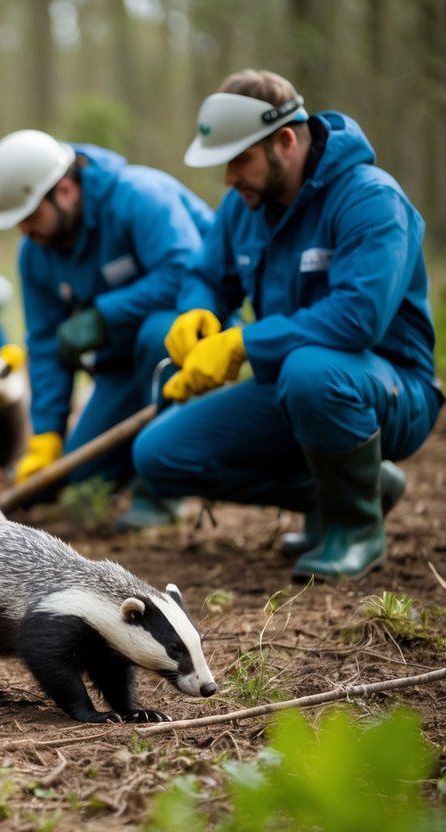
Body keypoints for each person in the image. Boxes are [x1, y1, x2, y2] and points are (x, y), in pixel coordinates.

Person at [132, 69, 442, 581]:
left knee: (311, 370)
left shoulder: (371, 200)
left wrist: (243, 343)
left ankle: (355, 526)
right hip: (294, 389)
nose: (229, 178)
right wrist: (197, 309)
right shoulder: (244, 205)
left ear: (285, 141)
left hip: (391, 390)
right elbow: (208, 275)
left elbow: (357, 317)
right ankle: (357, 487)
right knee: (159, 455)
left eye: (239, 160)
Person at [0, 129, 214, 527]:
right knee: (82, 478)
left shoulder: (139, 198)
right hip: (122, 363)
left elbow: (187, 271)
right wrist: (47, 434)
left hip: (193, 347)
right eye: (18, 222)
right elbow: (45, 342)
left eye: (31, 215)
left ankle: (165, 492)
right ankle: (135, 464)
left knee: (159, 333)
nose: (25, 231)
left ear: (66, 191)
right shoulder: (36, 253)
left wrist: (105, 315)